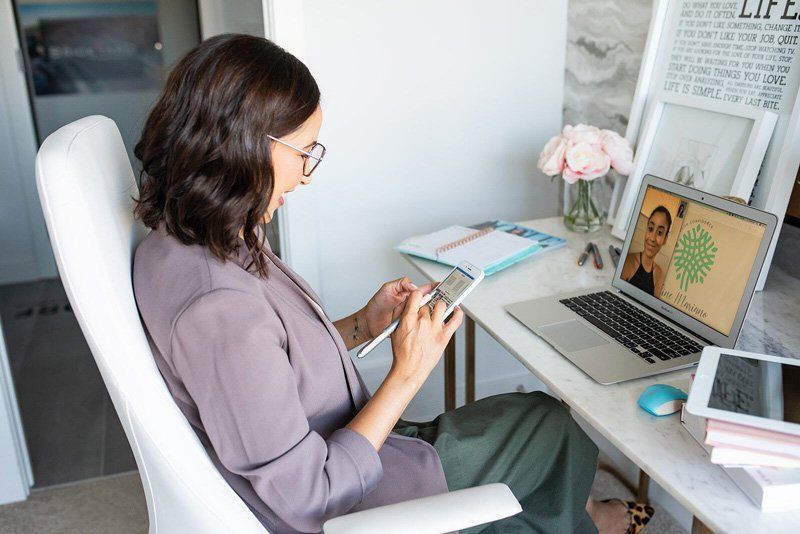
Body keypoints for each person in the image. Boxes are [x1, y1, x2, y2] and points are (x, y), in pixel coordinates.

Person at [132, 34, 651, 533]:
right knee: (551, 429)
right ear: (245, 146)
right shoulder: (217, 305)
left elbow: (266, 365)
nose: (308, 174)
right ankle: (587, 522)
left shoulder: (197, 235)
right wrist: (407, 373)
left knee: (533, 414)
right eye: (304, 152)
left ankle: (574, 518)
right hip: (352, 495)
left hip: (345, 438)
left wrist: (362, 324)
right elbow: (310, 495)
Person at [621, 206, 673, 297]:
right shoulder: (628, 260)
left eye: (660, 233)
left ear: (665, 239)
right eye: (650, 228)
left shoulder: (659, 274)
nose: (652, 238)